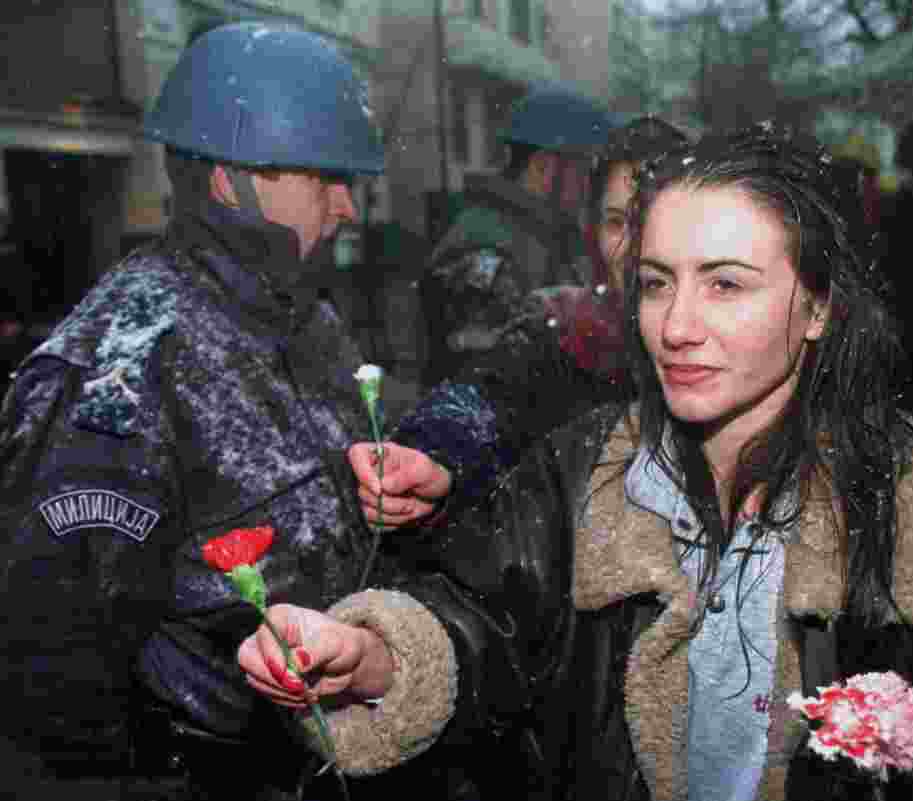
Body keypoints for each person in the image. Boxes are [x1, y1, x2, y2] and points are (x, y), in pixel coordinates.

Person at [240, 124, 913, 799]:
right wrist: (370, 658)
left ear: (818, 304)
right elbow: (473, 621)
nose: (676, 325)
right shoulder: (586, 470)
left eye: (725, 284)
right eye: (656, 284)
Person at [0, 21, 403, 800]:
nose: (349, 207)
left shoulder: (307, 325)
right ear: (230, 178)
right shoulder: (117, 370)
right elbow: (54, 683)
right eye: (326, 177)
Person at [351, 114, 691, 530]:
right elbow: (485, 395)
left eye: (651, 218)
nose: (632, 246)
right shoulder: (566, 330)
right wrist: (434, 455)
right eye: (616, 221)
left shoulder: (733, 338)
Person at [418, 82, 613, 387]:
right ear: (545, 167)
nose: (589, 185)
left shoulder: (550, 236)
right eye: (582, 169)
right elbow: (488, 373)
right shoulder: (484, 246)